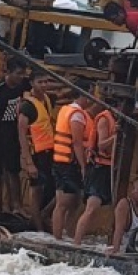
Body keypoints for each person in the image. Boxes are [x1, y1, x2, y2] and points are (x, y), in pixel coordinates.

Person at [0, 57, 30, 215]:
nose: (20, 77)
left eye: (23, 74)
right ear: (9, 72)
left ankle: (16, 206)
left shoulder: (22, 86)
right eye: (18, 74)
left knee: (13, 171)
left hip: (13, 135)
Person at [72, 92, 116, 246]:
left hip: (112, 168)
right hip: (99, 168)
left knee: (113, 208)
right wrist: (116, 136)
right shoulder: (105, 118)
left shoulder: (120, 120)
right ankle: (76, 243)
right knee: (92, 208)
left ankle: (111, 244)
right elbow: (102, 144)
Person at [49, 89, 90, 239]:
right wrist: (83, 165)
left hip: (61, 160)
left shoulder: (65, 109)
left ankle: (67, 235)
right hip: (69, 163)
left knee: (72, 202)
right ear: (83, 95)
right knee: (65, 203)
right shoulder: (77, 115)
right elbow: (77, 142)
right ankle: (59, 237)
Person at [20, 74, 58, 230]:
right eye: (40, 81)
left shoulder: (47, 100)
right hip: (35, 153)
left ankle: (43, 217)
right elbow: (21, 134)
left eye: (46, 81)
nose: (44, 85)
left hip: (49, 152)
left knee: (52, 187)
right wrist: (28, 162)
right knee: (36, 191)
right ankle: (38, 228)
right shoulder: (27, 106)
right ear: (32, 83)